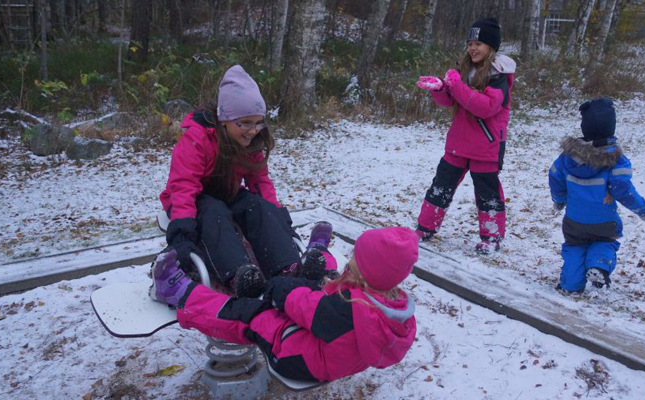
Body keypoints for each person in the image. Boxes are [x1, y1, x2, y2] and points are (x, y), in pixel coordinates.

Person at [150, 227, 419, 384]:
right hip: (328, 348)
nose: (351, 259)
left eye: (357, 258)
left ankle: (179, 293)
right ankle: (316, 254)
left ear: (368, 269)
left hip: (294, 355)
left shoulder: (343, 310)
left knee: (249, 315)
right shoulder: (392, 305)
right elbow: (323, 303)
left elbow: (297, 303)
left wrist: (276, 289)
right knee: (330, 281)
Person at [159, 64, 318, 297]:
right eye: (244, 123)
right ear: (225, 119)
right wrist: (181, 233)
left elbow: (260, 181)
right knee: (213, 212)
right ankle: (238, 275)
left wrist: (280, 223)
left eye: (258, 122)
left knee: (256, 205)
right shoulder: (197, 138)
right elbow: (183, 185)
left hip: (228, 191)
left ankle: (288, 267)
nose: (253, 131)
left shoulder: (250, 142)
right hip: (192, 198)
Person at [414, 18, 516, 255]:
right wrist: (441, 89)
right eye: (470, 42)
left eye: (478, 43)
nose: (473, 48)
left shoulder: (499, 76)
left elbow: (486, 107)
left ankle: (492, 236)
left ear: (491, 47)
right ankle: (425, 228)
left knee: (487, 194)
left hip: (486, 147)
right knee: (440, 187)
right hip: (458, 144)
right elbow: (452, 99)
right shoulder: (464, 69)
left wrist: (456, 85)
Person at [548, 98, 645, 293]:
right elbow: (622, 189)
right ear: (611, 128)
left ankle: (570, 284)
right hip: (604, 221)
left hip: (574, 220)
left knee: (575, 247)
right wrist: (640, 207)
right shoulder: (616, 160)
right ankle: (598, 266)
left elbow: (554, 177)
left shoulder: (567, 158)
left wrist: (559, 200)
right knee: (604, 242)